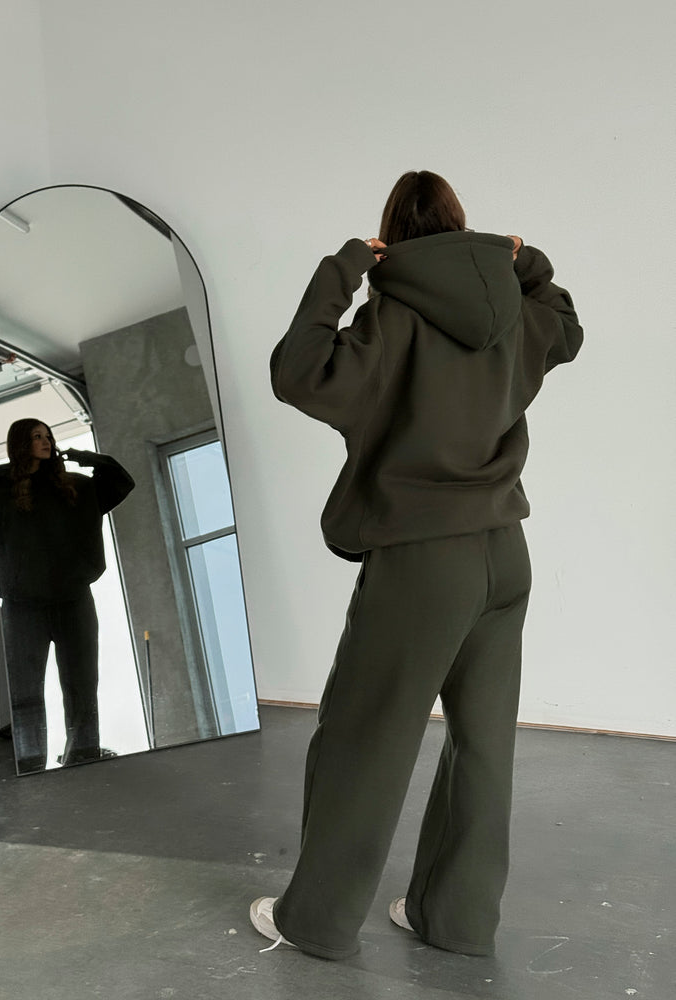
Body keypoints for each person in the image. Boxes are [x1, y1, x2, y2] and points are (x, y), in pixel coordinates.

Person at [249, 171, 583, 960]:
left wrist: (344, 266)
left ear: (390, 237)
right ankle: (456, 920)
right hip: (506, 554)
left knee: (364, 739)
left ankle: (318, 921)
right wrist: (522, 258)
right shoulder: (515, 315)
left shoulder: (390, 317)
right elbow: (566, 323)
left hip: (423, 561)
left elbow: (298, 369)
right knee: (484, 745)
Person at [0, 419, 135, 773]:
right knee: (23, 691)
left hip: (73, 600)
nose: (46, 441)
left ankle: (83, 754)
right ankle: (29, 760)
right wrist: (1, 475)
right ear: (20, 443)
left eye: (48, 435)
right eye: (36, 436)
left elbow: (121, 482)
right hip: (22, 606)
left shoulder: (76, 488)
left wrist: (86, 457)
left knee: (83, 683)